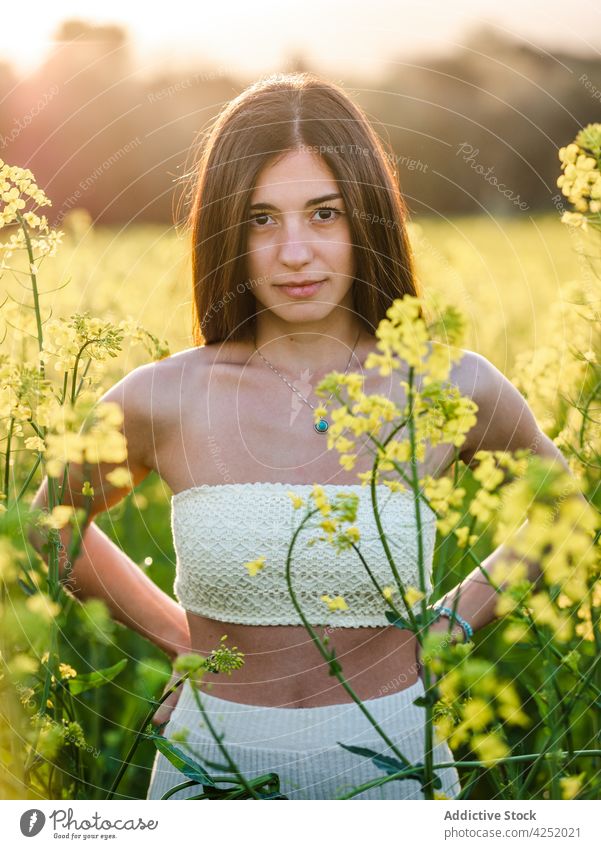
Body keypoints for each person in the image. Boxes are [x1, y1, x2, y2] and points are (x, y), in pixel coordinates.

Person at [29, 72, 572, 800]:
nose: (293, 252)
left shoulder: (448, 385)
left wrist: (455, 623)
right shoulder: (163, 395)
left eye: (323, 213)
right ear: (225, 228)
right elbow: (44, 523)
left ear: (367, 220)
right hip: (211, 765)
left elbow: (563, 500)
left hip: (397, 766)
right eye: (260, 219)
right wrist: (180, 640)